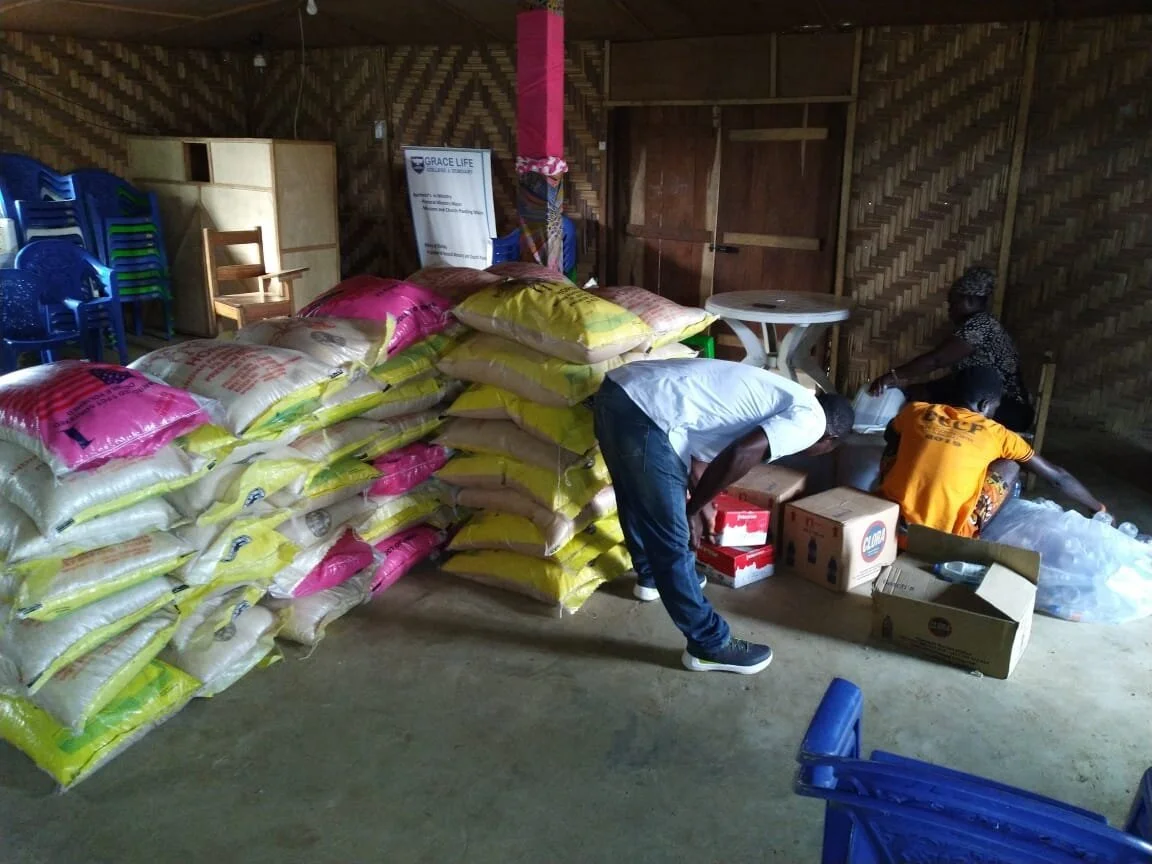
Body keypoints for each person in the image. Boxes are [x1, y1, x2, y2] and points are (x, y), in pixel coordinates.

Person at [592, 358, 854, 675]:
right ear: (830, 441)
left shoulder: (785, 397)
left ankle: (650, 577)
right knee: (674, 540)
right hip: (648, 414)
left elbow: (697, 457)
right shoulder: (812, 422)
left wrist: (702, 501)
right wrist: (692, 508)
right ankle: (709, 645)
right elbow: (742, 453)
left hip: (617, 392)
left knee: (633, 494)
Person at [878, 366, 1104, 542]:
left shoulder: (916, 410)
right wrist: (1098, 507)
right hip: (944, 540)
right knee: (1011, 464)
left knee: (899, 440)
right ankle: (972, 531)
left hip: (886, 527)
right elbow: (1057, 477)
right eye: (996, 407)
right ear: (985, 405)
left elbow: (889, 435)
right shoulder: (998, 434)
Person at [868, 267, 1034, 432]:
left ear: (969, 301)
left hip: (1006, 409)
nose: (949, 310)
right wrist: (919, 389)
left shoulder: (980, 326)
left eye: (953, 303)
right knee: (920, 393)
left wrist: (893, 376)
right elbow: (957, 378)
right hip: (996, 405)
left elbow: (936, 360)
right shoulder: (983, 324)